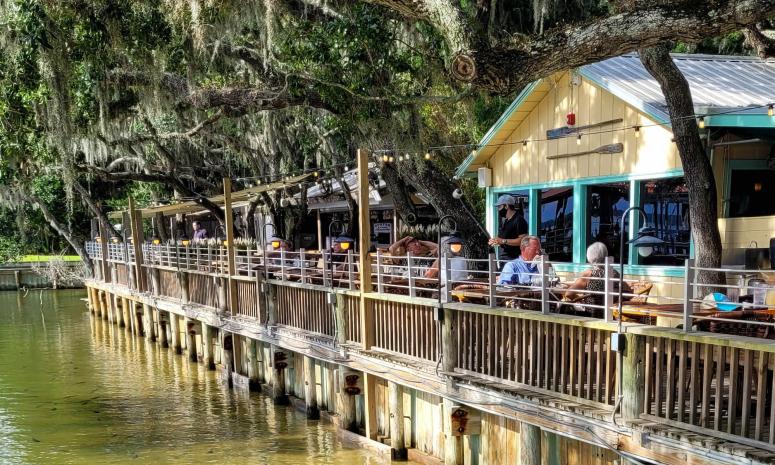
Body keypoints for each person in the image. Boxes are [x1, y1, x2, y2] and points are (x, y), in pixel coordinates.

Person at [562, 242, 631, 316]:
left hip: (590, 315)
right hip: (611, 315)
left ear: (589, 257)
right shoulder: (615, 273)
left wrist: (579, 299)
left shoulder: (589, 274)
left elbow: (568, 294)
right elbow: (628, 293)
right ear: (605, 254)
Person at [488, 195, 528, 268]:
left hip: (513, 260)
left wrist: (503, 241)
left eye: (500, 207)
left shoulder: (519, 220)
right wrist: (495, 240)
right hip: (504, 259)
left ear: (506, 206)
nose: (498, 210)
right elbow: (502, 238)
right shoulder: (506, 221)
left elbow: (523, 240)